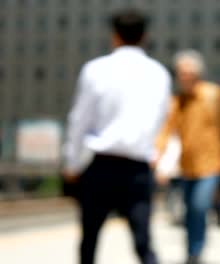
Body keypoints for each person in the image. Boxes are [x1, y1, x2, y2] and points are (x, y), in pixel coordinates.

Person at [62, 10, 171, 264]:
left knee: (89, 239)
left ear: (115, 36)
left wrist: (72, 163)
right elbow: (161, 121)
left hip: (101, 165)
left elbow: (79, 120)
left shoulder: (95, 69)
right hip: (138, 167)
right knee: (143, 242)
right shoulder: (159, 73)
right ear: (144, 36)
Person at [156, 50, 220, 264]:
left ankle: (197, 249)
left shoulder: (214, 94)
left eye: (188, 73)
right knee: (189, 209)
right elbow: (166, 130)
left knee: (200, 206)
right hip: (187, 164)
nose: (184, 77)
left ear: (197, 73)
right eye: (181, 73)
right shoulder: (177, 102)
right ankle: (192, 251)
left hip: (211, 162)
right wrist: (157, 153)